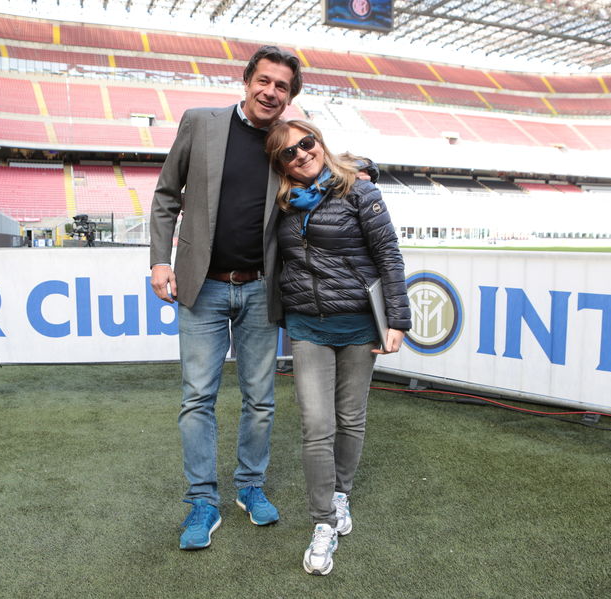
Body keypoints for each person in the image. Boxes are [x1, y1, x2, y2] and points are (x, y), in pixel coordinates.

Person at [148, 45, 303, 551]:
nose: (270, 92)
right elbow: (166, 196)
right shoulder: (200, 122)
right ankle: (201, 500)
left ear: (290, 97)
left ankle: (250, 487)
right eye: (264, 80)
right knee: (198, 398)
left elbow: (322, 172)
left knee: (261, 399)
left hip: (261, 288)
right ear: (247, 80)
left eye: (282, 87)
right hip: (203, 287)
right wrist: (159, 260)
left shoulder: (287, 142)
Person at [264, 120, 411, 576]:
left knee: (350, 418)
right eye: (288, 153)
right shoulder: (280, 202)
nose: (301, 154)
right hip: (307, 325)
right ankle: (323, 521)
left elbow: (388, 255)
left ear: (319, 142)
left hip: (359, 325)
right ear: (281, 165)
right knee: (316, 425)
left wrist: (398, 321)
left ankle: (340, 493)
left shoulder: (359, 190)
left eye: (306, 143)